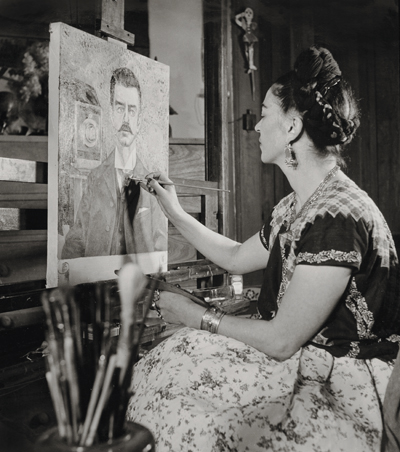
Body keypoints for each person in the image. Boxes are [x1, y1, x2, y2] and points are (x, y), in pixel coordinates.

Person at [126, 46, 400, 451]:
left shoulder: (338, 217)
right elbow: (237, 256)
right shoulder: (299, 205)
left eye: (265, 113)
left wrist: (194, 315)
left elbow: (281, 340)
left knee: (186, 394)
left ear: (292, 127)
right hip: (308, 363)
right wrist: (175, 213)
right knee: (175, 362)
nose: (256, 126)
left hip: (345, 385)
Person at [62, 67, 166, 259]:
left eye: (132, 110)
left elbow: (161, 250)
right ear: (111, 114)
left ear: (139, 120)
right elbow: (76, 241)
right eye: (119, 109)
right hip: (97, 278)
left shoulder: (153, 184)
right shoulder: (95, 178)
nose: (126, 119)